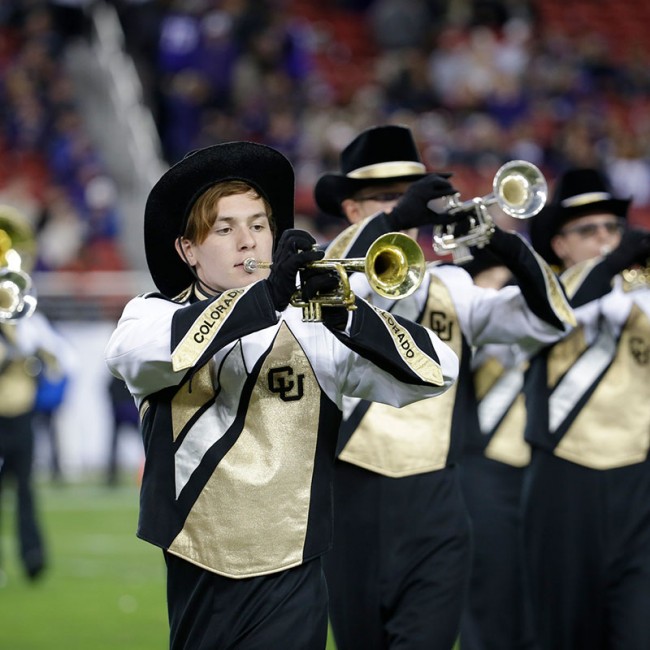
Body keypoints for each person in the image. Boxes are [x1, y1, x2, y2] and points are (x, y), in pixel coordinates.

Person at [104, 141, 459, 650]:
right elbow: (134, 356)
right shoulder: (152, 313)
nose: (247, 242)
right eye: (224, 229)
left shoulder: (313, 325)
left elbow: (438, 371)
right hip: (201, 569)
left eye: (258, 225)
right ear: (188, 249)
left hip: (295, 573)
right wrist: (264, 298)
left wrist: (350, 317)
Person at [313, 124, 575, 650]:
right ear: (351, 210)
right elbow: (343, 293)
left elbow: (550, 322)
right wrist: (396, 219)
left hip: (438, 503)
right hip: (351, 496)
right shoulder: (323, 279)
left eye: (409, 194)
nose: (401, 205)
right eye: (384, 197)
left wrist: (501, 242)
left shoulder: (452, 286)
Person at [523, 167, 650, 650]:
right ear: (560, 245)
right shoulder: (537, 295)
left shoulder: (641, 298)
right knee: (566, 633)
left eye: (612, 229)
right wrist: (615, 260)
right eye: (588, 231)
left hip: (637, 485)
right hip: (565, 483)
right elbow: (561, 313)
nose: (604, 239)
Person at [457, 250, 536, 650]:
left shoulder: (533, 313)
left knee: (543, 603)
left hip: (543, 473)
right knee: (489, 598)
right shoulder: (460, 320)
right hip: (482, 471)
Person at [0, 204, 74, 582]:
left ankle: (33, 560)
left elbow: (61, 357)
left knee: (26, 491)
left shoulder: (28, 317)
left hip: (22, 414)